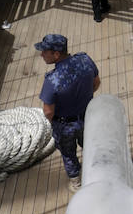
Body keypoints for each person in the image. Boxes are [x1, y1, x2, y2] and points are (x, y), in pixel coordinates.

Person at [36, 33, 100, 190]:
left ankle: (76, 182)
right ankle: (96, 173)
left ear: (56, 54)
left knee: (68, 154)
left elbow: (48, 111)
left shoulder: (52, 80)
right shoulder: (85, 60)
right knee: (90, 146)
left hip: (65, 126)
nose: (42, 54)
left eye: (45, 51)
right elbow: (96, 82)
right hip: (87, 117)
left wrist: (53, 123)